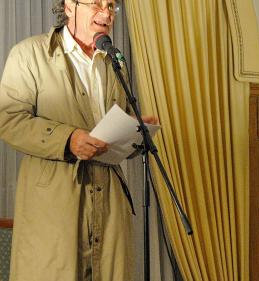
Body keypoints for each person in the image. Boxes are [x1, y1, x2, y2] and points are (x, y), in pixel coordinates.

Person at [0, 1, 156, 280]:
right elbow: (9, 120)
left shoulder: (114, 62)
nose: (107, 13)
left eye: (111, 6)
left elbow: (120, 124)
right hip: (54, 210)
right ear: (69, 5)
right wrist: (68, 139)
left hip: (110, 208)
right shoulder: (28, 54)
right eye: (97, 3)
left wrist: (137, 131)